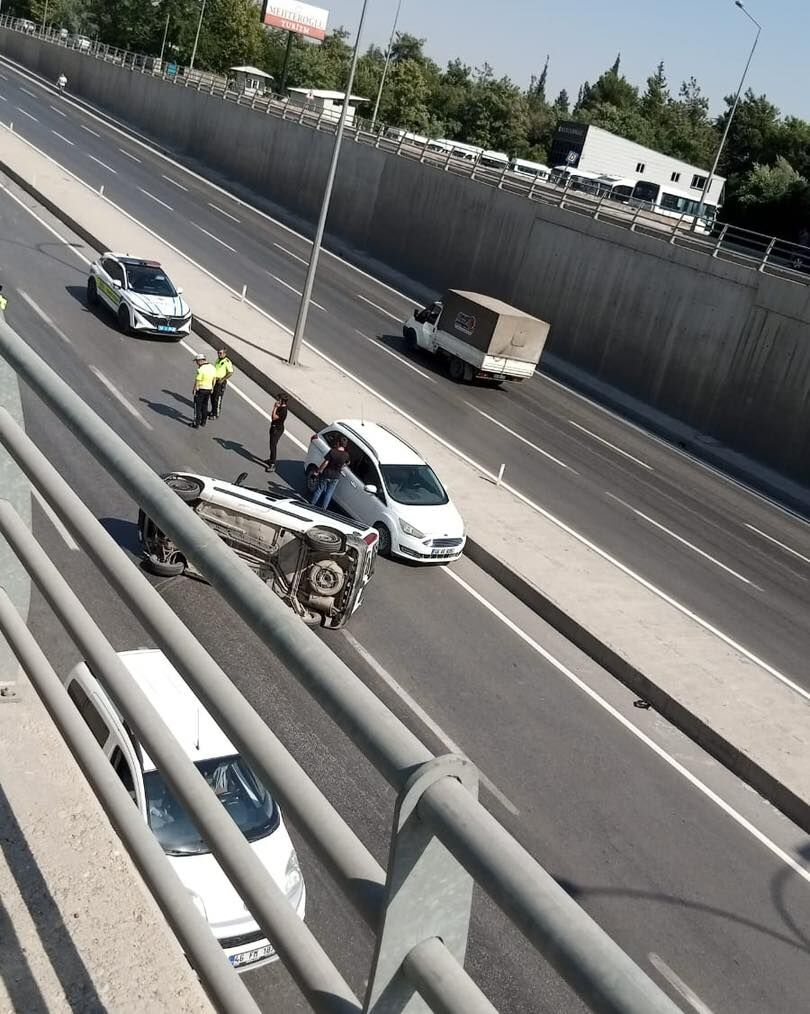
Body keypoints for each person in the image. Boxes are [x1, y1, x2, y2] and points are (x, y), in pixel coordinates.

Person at [309, 436, 350, 510]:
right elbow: (348, 463)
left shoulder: (332, 452)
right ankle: (323, 509)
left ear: (338, 443)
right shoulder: (346, 455)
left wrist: (318, 471)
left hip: (326, 473)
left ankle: (311, 505)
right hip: (336, 476)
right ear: (345, 445)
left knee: (319, 490)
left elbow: (325, 463)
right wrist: (342, 466)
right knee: (329, 493)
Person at [191, 352, 216, 428]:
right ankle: (203, 422)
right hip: (208, 389)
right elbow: (214, 379)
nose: (197, 363)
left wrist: (194, 389)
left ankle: (196, 423)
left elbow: (198, 380)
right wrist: (212, 388)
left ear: (200, 360)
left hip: (201, 389)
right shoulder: (212, 367)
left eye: (197, 361)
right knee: (205, 406)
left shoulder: (201, 369)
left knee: (197, 407)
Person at [266, 392, 288, 472]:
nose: (277, 400)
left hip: (277, 430)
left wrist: (274, 407)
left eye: (279, 399)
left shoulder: (283, 410)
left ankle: (273, 463)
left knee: (273, 446)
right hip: (274, 428)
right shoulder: (280, 407)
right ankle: (271, 459)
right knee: (271, 444)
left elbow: (273, 417)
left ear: (283, 401)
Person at [210, 348, 234, 419]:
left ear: (224, 354)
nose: (219, 354)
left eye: (220, 353)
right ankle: (212, 411)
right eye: (218, 353)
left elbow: (230, 372)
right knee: (212, 397)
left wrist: (223, 379)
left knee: (218, 398)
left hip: (220, 382)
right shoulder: (218, 360)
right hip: (215, 380)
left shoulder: (227, 362)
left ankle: (216, 414)